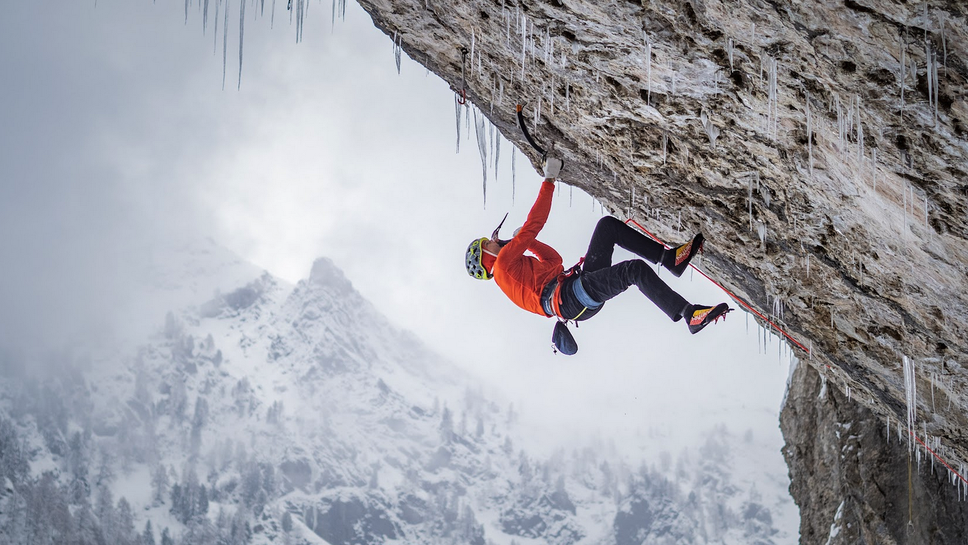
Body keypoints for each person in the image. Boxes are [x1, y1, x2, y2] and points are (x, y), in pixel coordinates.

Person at [464, 157, 730, 348]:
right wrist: (549, 181)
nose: (495, 239)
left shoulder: (511, 268)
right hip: (571, 297)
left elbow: (554, 262)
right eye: (490, 241)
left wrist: (527, 241)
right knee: (633, 271)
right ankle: (688, 314)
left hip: (574, 292)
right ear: (485, 255)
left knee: (607, 228)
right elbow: (536, 223)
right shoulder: (502, 266)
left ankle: (670, 260)